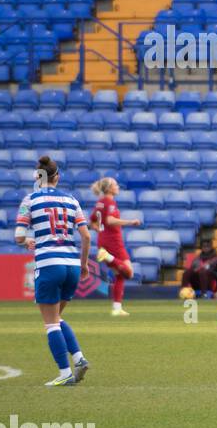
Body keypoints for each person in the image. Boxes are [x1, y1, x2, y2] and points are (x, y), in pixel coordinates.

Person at [15, 156, 92, 385]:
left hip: (49, 264)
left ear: (39, 177)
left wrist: (28, 240)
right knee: (57, 317)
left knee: (50, 323)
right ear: (57, 176)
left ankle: (64, 373)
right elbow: (86, 235)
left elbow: (19, 236)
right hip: (71, 266)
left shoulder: (30, 200)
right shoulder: (71, 200)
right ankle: (78, 358)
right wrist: (85, 264)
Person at [89, 176, 140, 317]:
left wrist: (100, 230)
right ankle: (107, 256)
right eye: (115, 185)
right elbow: (110, 220)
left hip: (103, 241)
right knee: (129, 272)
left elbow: (92, 221)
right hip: (113, 242)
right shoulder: (109, 202)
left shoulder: (100, 202)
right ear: (110, 188)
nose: (118, 187)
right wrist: (130, 222)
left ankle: (117, 308)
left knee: (120, 275)